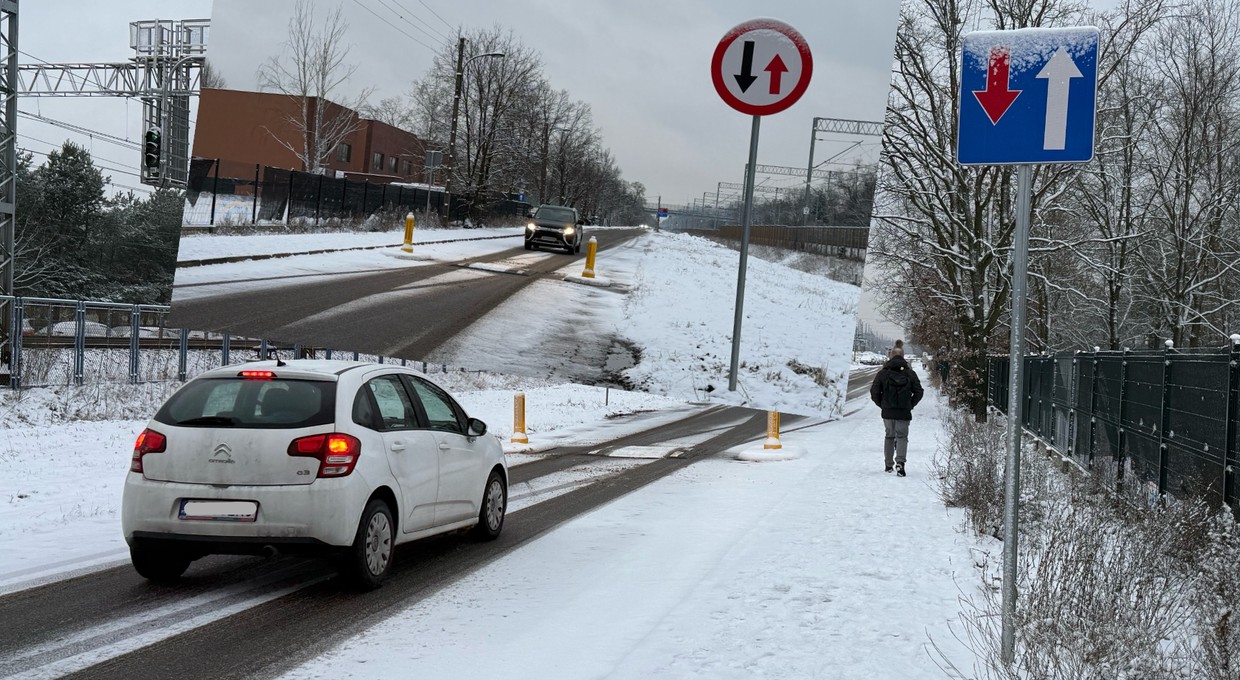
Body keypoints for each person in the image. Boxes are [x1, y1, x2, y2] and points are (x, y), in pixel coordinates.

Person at [869, 346, 924, 477]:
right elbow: (919, 392)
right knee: (902, 437)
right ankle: (900, 463)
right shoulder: (910, 373)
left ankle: (888, 464)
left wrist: (882, 404)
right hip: (904, 411)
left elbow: (874, 392)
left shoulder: (882, 373)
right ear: (903, 356)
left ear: (890, 356)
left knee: (889, 436)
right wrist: (911, 404)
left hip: (887, 411)